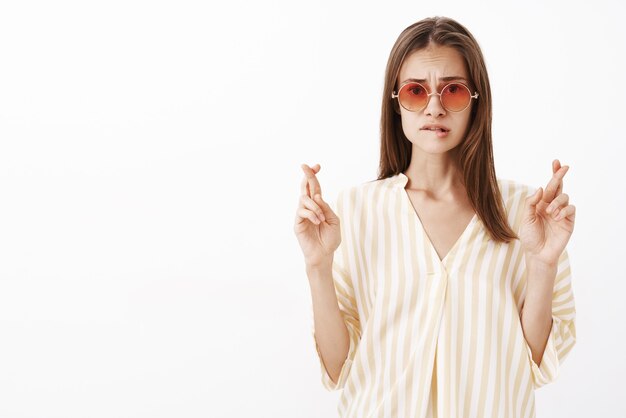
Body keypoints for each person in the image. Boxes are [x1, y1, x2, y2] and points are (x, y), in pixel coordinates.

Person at [293, 16, 576, 418]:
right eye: (415, 91)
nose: (434, 107)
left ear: (476, 99)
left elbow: (536, 362)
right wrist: (317, 265)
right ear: (396, 101)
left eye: (453, 91)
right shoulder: (357, 210)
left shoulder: (526, 213)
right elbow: (338, 368)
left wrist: (542, 262)